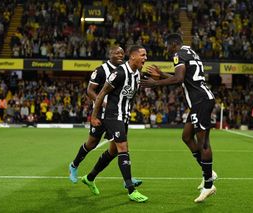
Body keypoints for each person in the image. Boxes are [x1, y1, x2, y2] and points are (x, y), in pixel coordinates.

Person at [141, 33, 217, 203]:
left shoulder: (178, 55)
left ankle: (209, 184)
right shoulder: (190, 52)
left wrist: (156, 83)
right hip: (200, 100)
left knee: (203, 142)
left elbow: (179, 78)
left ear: (174, 44)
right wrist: (161, 74)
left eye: (167, 46)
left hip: (201, 102)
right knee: (186, 136)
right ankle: (209, 172)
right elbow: (183, 80)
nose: (166, 49)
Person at [69, 46, 142, 188]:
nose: (120, 55)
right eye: (117, 53)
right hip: (102, 114)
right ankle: (74, 165)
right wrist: (102, 105)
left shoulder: (126, 70)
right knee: (92, 144)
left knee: (117, 148)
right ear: (110, 54)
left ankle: (126, 179)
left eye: (122, 53)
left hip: (116, 115)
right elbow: (90, 90)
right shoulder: (101, 70)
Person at [85, 45, 148, 202]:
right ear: (132, 57)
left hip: (124, 116)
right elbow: (100, 95)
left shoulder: (137, 75)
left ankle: (90, 177)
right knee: (123, 149)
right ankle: (131, 190)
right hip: (113, 115)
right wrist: (93, 117)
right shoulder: (119, 73)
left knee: (113, 151)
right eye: (143, 55)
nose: (145, 58)